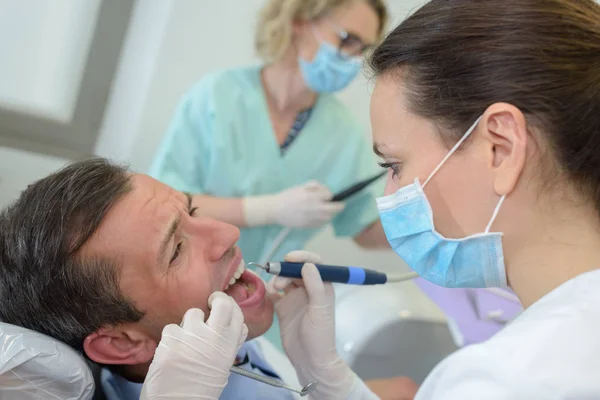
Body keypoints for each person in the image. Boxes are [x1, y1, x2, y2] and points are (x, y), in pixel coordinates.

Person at [267, 0, 600, 398]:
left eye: (393, 165)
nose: (388, 197)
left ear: (502, 148)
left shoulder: (503, 380)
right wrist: (330, 380)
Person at [0, 159, 417, 400]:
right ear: (122, 342)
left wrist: (329, 379)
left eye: (192, 214)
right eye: (176, 250)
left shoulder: (231, 353)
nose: (227, 233)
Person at [149, 0, 391, 266]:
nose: (354, 60)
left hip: (264, 296)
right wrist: (268, 210)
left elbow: (365, 227)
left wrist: (433, 224)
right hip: (187, 281)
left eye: (363, 49)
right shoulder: (216, 97)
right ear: (299, 20)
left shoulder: (344, 132)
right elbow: (167, 204)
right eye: (348, 40)